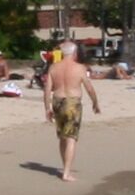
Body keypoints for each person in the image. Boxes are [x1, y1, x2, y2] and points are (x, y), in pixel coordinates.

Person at [41, 45, 102, 183]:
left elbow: (47, 89)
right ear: (74, 53)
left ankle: (65, 168)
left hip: (57, 101)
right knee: (71, 138)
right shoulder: (79, 68)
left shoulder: (53, 67)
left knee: (63, 137)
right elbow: (89, 88)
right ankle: (66, 173)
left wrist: (47, 108)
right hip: (72, 103)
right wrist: (95, 103)